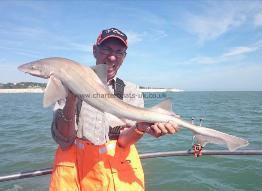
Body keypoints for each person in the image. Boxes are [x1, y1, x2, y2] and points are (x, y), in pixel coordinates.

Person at [49, 27, 180, 191]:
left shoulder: (131, 90)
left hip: (116, 172)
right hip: (75, 172)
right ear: (94, 51)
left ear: (124, 57)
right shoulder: (66, 83)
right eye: (106, 49)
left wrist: (140, 128)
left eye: (119, 52)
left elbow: (124, 141)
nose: (112, 57)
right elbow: (64, 140)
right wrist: (71, 99)